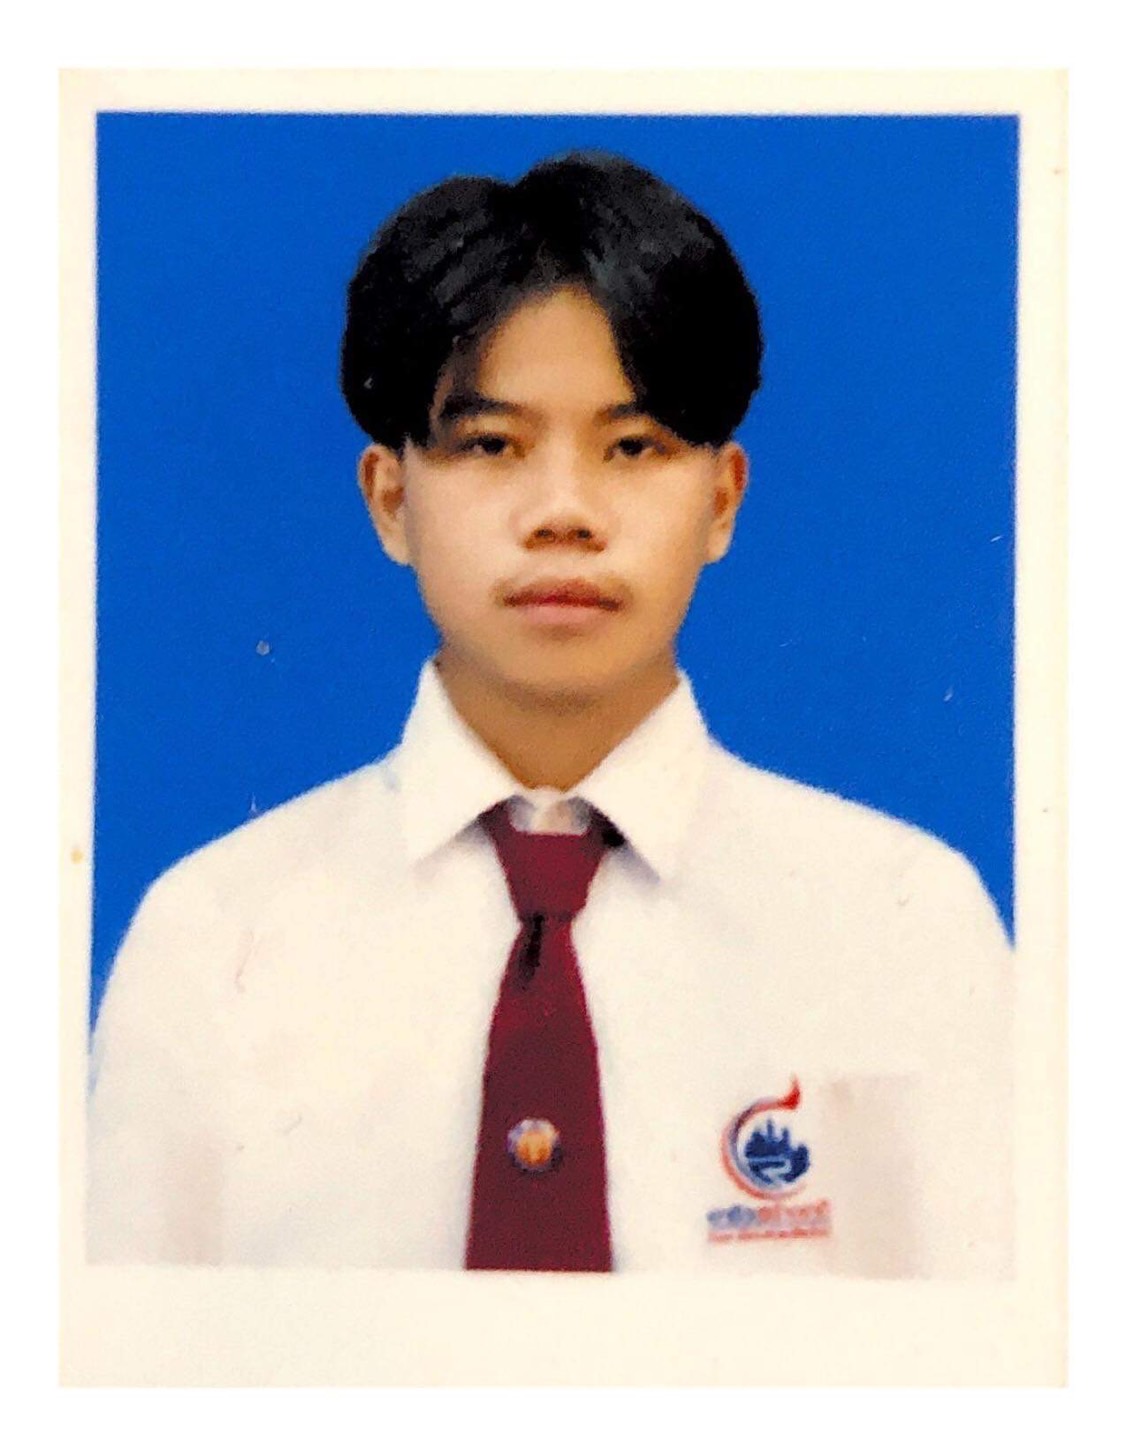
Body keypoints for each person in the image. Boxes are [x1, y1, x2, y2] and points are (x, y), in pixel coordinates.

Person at [87, 151, 1012, 1276]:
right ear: (390, 498)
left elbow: (998, 1358)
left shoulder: (903, 922)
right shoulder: (213, 936)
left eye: (633, 448)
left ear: (722, 500)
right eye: (491, 445)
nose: (564, 512)